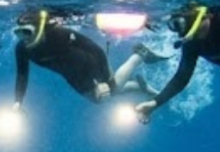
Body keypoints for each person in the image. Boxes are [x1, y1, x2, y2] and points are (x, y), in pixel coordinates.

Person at [12, 8, 166, 111]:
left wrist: (101, 82)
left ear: (39, 30)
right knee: (100, 99)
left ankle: (138, 56)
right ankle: (140, 87)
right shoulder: (22, 49)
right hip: (72, 76)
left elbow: (94, 49)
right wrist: (18, 102)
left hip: (92, 63)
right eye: (18, 33)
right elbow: (22, 75)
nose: (23, 37)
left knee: (112, 90)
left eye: (26, 32)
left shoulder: (59, 35)